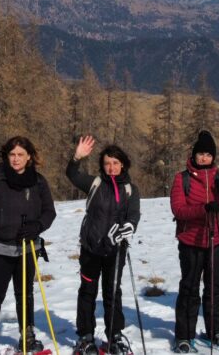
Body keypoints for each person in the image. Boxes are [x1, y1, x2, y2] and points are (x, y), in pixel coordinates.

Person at [0, 136, 57, 355]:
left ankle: (27, 335)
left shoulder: (38, 181)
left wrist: (37, 226)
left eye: (20, 155)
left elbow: (49, 212)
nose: (16, 159)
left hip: (28, 247)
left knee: (24, 293)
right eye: (12, 154)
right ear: (6, 156)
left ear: (29, 157)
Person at [169, 130, 219, 353]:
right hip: (190, 241)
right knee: (189, 289)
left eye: (208, 155)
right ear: (193, 155)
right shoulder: (181, 178)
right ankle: (184, 336)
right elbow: (178, 209)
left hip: (215, 239)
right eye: (200, 154)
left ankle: (217, 331)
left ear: (213, 157)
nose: (204, 158)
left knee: (215, 289)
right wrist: (203, 210)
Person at [66, 136, 141, 355]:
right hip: (91, 248)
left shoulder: (130, 190)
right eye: (107, 163)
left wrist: (128, 228)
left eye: (115, 163)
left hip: (115, 251)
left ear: (123, 164)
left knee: (112, 293)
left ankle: (115, 335)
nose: (111, 167)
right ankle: (85, 336)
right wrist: (76, 157)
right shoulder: (95, 184)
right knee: (88, 292)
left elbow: (133, 216)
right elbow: (71, 174)